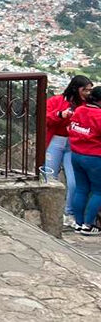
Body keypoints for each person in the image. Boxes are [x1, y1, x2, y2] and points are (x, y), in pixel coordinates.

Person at [47, 75, 93, 226]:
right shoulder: (57, 101)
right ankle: (50, 214)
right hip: (56, 140)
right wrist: (60, 115)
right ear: (76, 88)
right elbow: (45, 117)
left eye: (89, 90)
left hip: (73, 143)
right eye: (85, 89)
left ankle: (68, 212)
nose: (87, 93)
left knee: (73, 182)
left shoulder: (87, 105)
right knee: (49, 177)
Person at [69, 86, 101, 234]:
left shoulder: (79, 110)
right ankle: (89, 225)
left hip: (76, 155)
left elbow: (71, 128)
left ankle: (78, 223)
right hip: (94, 157)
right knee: (98, 191)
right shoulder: (99, 116)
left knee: (81, 189)